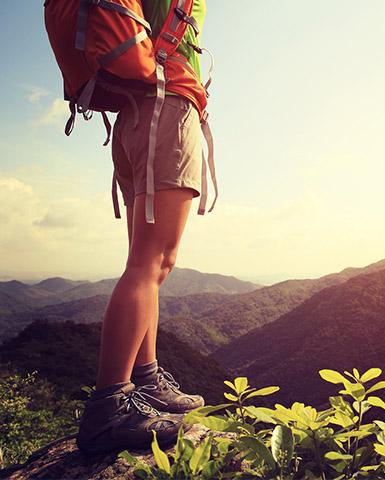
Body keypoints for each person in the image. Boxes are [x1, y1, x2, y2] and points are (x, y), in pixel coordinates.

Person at [75, 0, 209, 455]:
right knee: (153, 262)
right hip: (165, 107)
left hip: (136, 114)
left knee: (145, 263)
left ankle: (146, 380)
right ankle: (108, 408)